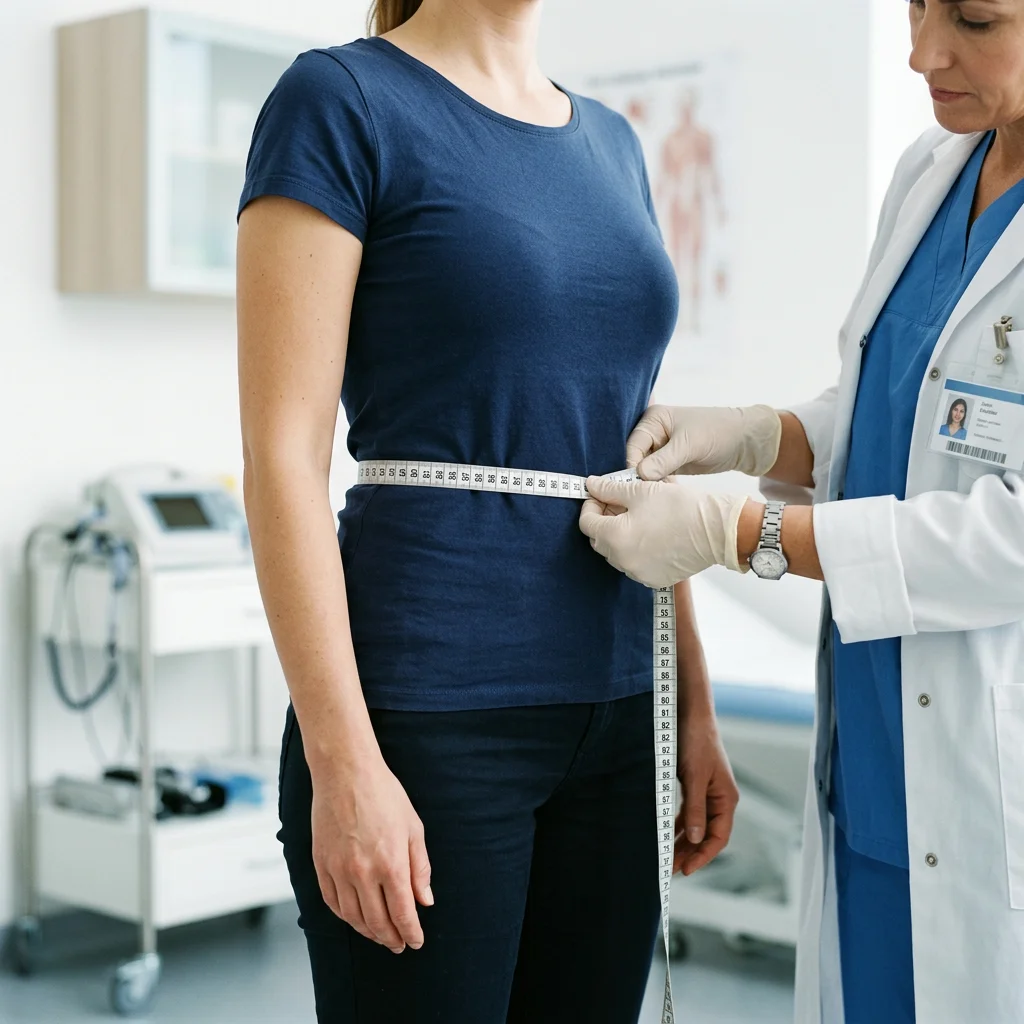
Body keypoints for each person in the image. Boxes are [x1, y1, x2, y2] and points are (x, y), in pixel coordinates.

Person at [236, 1, 738, 1021]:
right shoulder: (340, 101)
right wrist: (346, 768)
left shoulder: (612, 142)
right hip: (429, 717)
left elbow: (628, 451)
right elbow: (282, 458)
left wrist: (688, 699)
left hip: (620, 706)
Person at [580, 1, 1024, 1021]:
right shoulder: (932, 171)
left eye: (973, 19)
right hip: (871, 777)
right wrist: (752, 435)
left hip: (983, 790)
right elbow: (898, 420)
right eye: (913, 5)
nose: (921, 52)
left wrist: (742, 534)